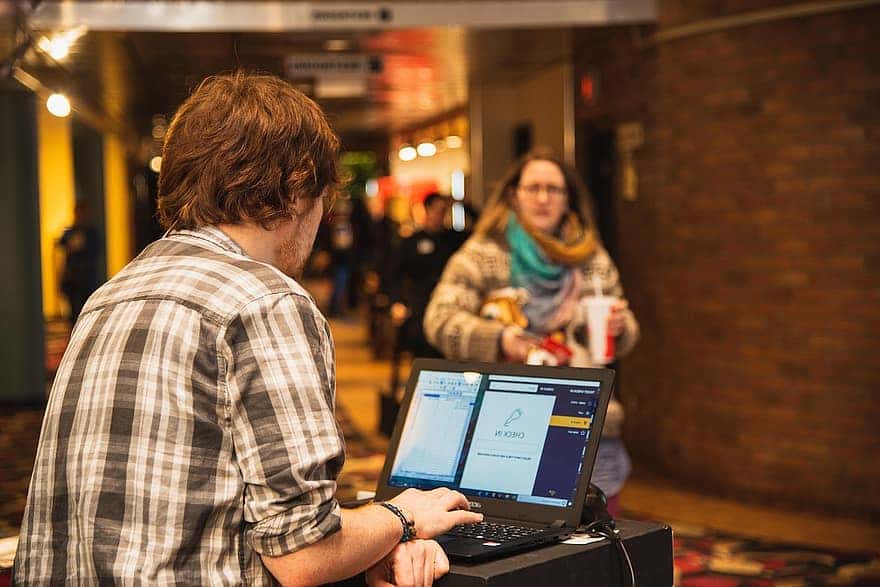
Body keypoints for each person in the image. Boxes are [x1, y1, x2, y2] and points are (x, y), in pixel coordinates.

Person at [15, 72, 480, 586]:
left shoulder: (114, 292)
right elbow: (303, 553)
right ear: (300, 184)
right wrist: (402, 517)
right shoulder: (265, 301)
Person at [423, 149, 639, 515]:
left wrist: (621, 327)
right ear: (513, 194)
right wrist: (498, 339)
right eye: (533, 187)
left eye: (554, 189)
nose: (543, 198)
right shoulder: (483, 253)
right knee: (520, 531)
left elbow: (624, 322)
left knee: (596, 535)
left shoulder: (590, 257)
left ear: (568, 198)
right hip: (506, 425)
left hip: (583, 422)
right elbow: (439, 320)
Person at [387, 193, 465, 358]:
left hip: (449, 303)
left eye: (444, 210)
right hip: (419, 304)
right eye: (437, 209)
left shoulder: (453, 239)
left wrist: (462, 204)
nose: (440, 214)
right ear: (427, 210)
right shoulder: (412, 241)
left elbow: (479, 225)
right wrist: (397, 302)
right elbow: (394, 274)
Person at [56, 201, 100, 325]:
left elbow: (95, 250)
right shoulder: (70, 231)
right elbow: (61, 244)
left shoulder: (91, 232)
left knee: (87, 310)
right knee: (73, 313)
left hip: (87, 277)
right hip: (72, 278)